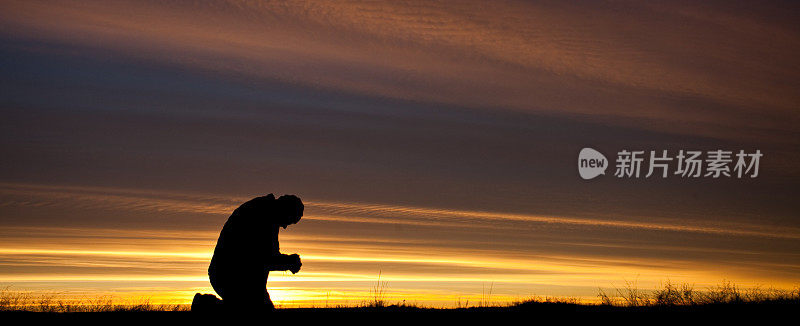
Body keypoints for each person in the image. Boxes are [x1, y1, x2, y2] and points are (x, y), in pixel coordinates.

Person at [207, 194, 303, 310]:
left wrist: (287, 261)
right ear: (286, 210)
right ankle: (206, 305)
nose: (285, 227)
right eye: (289, 221)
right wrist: (288, 262)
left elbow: (268, 256)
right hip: (230, 276)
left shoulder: (267, 213)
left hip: (240, 277)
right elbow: (260, 259)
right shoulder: (261, 215)